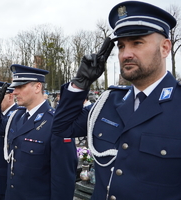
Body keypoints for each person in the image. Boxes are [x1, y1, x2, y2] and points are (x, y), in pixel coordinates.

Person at [52, 1, 178, 199]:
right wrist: (80, 84)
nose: (125, 54)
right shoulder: (110, 101)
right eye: (121, 46)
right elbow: (61, 128)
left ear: (164, 48)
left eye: (137, 42)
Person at [0, 65, 77, 200]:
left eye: (20, 87)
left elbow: (63, 179)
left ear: (37, 87)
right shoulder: (17, 116)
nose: (15, 92)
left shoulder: (56, 123)